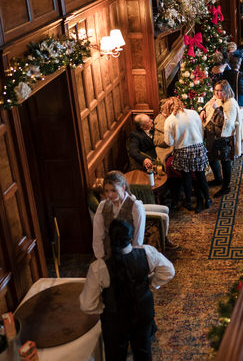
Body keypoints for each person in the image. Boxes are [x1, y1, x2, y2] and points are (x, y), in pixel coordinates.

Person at [80, 219, 175, 361]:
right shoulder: (148, 253)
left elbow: (87, 305)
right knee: (143, 350)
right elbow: (169, 271)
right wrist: (151, 284)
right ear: (131, 238)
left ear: (110, 238)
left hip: (115, 319)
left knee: (115, 355)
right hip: (143, 311)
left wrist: (103, 307)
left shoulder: (98, 267)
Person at [161, 97, 211, 213]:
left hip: (183, 150)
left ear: (168, 108)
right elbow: (201, 130)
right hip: (198, 147)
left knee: (187, 177)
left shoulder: (170, 120)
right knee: (201, 175)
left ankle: (188, 202)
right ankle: (207, 199)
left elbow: (169, 142)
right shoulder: (193, 113)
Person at [92, 171, 145, 259]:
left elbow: (138, 239)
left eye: (113, 190)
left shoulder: (136, 207)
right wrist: (100, 258)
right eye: (106, 191)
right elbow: (97, 237)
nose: (109, 195)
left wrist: (133, 259)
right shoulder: (102, 206)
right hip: (109, 256)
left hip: (129, 255)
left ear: (123, 187)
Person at [201, 80, 241, 198]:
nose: (217, 93)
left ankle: (226, 186)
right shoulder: (216, 98)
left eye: (220, 90)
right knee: (212, 157)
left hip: (224, 137)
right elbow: (208, 104)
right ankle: (218, 179)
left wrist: (217, 109)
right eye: (216, 90)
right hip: (212, 136)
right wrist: (203, 111)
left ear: (226, 90)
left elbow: (225, 123)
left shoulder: (231, 103)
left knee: (225, 161)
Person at [221, 55, 243, 154]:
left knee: (231, 124)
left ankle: (231, 147)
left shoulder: (226, 74)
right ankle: (241, 148)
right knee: (241, 126)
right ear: (239, 64)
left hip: (229, 102)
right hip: (240, 103)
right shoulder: (241, 75)